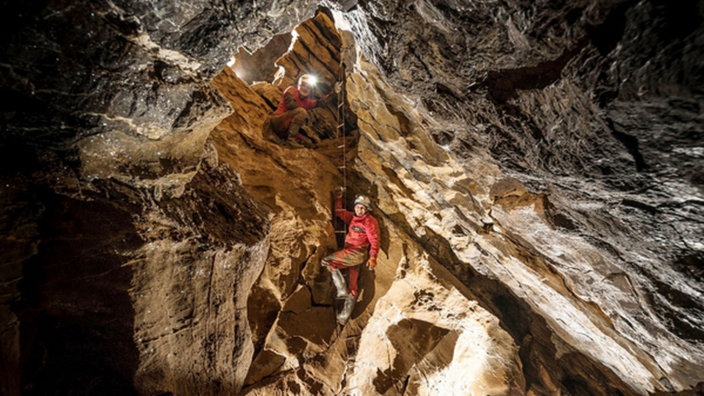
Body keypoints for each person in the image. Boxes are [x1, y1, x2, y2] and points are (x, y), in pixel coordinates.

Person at [321, 187, 380, 323]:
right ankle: (343, 317)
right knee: (353, 286)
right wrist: (338, 199)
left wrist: (373, 257)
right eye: (358, 207)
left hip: (357, 252)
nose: (360, 210)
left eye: (363, 208)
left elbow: (375, 241)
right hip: (350, 252)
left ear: (367, 210)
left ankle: (341, 289)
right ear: (355, 207)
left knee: (328, 262)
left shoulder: (370, 222)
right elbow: (339, 213)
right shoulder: (353, 217)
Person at [268, 74, 336, 148]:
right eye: (304, 85)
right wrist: (304, 115)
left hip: (285, 130)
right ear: (299, 85)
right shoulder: (291, 90)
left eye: (308, 87)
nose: (305, 88)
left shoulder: (307, 102)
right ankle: (291, 140)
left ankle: (289, 140)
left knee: (309, 143)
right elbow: (291, 105)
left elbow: (319, 103)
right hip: (277, 122)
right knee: (302, 111)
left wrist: (332, 94)